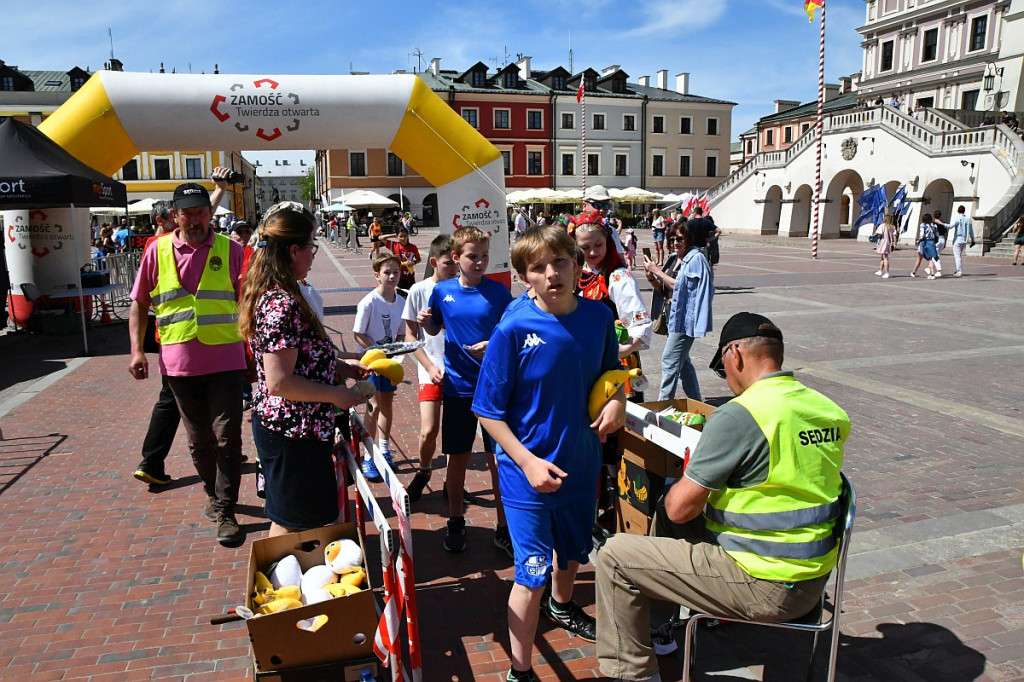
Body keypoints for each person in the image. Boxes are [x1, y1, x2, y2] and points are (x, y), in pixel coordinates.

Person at [596, 312, 849, 682]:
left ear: (735, 354)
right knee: (668, 520)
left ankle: (632, 675)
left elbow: (680, 508)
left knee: (615, 556)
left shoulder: (741, 415)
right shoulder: (826, 409)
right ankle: (660, 628)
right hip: (814, 580)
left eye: (721, 368)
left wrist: (697, 470)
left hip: (765, 585)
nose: (727, 379)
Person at [474, 226, 625, 681]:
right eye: (538, 267)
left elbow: (613, 373)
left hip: (581, 463)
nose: (552, 273)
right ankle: (520, 671)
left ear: (578, 265)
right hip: (527, 475)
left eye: (560, 262)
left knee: (573, 551)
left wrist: (617, 399)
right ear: (525, 278)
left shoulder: (599, 318)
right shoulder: (514, 328)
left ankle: (563, 606)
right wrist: (527, 462)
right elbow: (488, 412)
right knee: (530, 575)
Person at [127, 182, 247, 546]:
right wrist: (137, 350)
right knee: (199, 442)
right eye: (187, 213)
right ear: (174, 216)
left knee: (227, 438)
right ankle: (212, 493)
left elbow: (250, 301)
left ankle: (226, 509)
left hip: (226, 359)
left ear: (209, 213)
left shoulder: (232, 250)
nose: (195, 219)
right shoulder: (157, 251)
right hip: (179, 364)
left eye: (200, 212)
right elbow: (138, 304)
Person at [239, 203, 368, 536]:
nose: (314, 254)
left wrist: (342, 366)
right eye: (312, 245)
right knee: (292, 524)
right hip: (292, 432)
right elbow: (280, 381)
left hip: (299, 429)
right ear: (294, 250)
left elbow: (300, 360)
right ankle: (282, 584)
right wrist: (336, 395)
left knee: (297, 518)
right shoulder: (281, 303)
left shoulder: (286, 294)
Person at [420, 226, 512, 554]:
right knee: (456, 458)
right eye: (473, 256)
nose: (480, 262)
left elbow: (510, 333)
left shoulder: (499, 293)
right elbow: (434, 326)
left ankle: (504, 526)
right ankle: (455, 520)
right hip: (457, 388)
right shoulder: (442, 291)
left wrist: (493, 345)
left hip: (493, 389)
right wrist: (426, 321)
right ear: (456, 258)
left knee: (498, 460)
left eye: (485, 256)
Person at [402, 235, 458, 503]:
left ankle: (452, 480)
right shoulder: (418, 290)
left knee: (455, 431)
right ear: (434, 262)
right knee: (429, 429)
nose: (454, 269)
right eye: (449, 263)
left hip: (460, 372)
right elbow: (410, 337)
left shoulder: (462, 289)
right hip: (431, 369)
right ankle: (424, 471)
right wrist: (428, 365)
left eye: (457, 262)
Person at [574, 217, 652, 400]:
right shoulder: (575, 273)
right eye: (585, 247)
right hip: (585, 360)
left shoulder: (618, 277)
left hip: (614, 362)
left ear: (608, 242)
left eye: (598, 244)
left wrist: (622, 350)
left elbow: (639, 322)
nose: (593, 251)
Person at [644, 224, 713, 400]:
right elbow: (664, 289)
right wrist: (652, 277)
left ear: (688, 239)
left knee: (669, 360)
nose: (675, 242)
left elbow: (678, 286)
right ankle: (696, 401)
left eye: (680, 239)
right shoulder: (674, 258)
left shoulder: (696, 259)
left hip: (685, 318)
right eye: (672, 239)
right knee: (683, 364)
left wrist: (656, 270)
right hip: (671, 316)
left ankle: (662, 407)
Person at [353, 253, 407, 480]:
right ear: (377, 275)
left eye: (395, 272)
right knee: (373, 407)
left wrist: (399, 349)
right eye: (387, 272)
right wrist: (375, 350)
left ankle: (384, 449)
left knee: (387, 405)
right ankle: (368, 454)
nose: (392, 276)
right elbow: (358, 333)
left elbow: (403, 332)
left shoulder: (402, 301)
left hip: (390, 363)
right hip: (370, 363)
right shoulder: (369, 302)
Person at [910, 214, 939, 279]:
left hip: (924, 242)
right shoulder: (934, 225)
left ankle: (915, 272)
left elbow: (922, 235)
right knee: (930, 258)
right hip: (932, 242)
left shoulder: (923, 225)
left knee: (920, 258)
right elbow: (937, 234)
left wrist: (918, 241)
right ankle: (931, 273)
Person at [950, 204, 976, 277]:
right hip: (964, 240)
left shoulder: (957, 218)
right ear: (964, 211)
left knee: (957, 256)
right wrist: (973, 239)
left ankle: (959, 271)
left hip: (957, 239)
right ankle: (959, 269)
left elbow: (950, 226)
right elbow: (971, 231)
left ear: (958, 211)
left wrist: (943, 224)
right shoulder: (968, 219)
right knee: (959, 255)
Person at [874, 213, 895, 278]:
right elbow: (895, 236)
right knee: (882, 257)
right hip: (889, 243)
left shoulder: (883, 225)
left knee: (885, 257)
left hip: (883, 242)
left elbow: (879, 234)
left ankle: (887, 272)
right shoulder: (892, 227)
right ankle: (880, 270)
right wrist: (894, 243)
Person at [932, 209, 948, 276]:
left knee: (934, 256)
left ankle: (938, 270)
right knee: (936, 254)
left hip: (937, 240)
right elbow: (945, 233)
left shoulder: (933, 223)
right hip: (942, 239)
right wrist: (945, 242)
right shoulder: (942, 223)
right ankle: (930, 268)